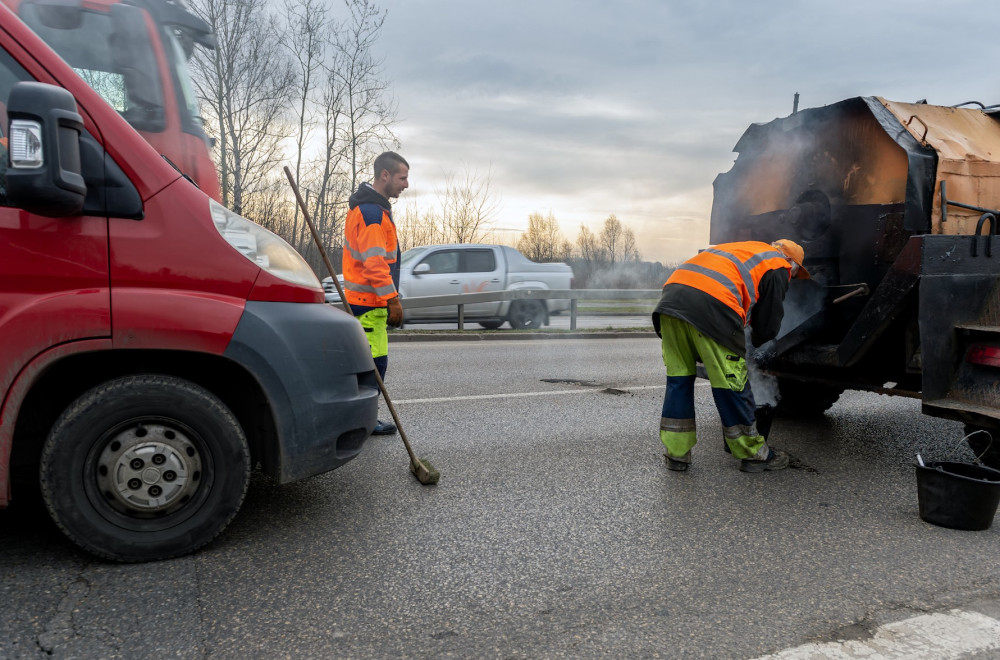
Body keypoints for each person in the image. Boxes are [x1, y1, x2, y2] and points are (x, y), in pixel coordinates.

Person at [651, 239, 810, 472]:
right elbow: (766, 325)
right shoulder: (778, 265)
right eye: (795, 274)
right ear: (791, 262)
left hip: (670, 303)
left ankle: (676, 454)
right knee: (731, 383)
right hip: (711, 308)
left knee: (679, 381)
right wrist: (755, 346)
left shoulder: (746, 249)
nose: (792, 278)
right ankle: (754, 453)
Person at [343, 151, 408, 435]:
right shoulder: (371, 214)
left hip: (367, 303)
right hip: (369, 303)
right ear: (385, 175)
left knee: (369, 365)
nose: (405, 184)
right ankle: (362, 422)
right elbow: (374, 264)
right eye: (402, 177)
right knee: (373, 367)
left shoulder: (372, 209)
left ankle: (360, 419)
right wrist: (392, 298)